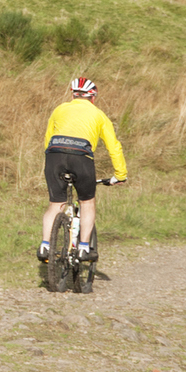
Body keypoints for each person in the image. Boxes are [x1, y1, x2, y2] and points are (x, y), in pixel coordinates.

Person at [39, 74, 127, 267]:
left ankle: (45, 245)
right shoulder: (98, 115)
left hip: (54, 156)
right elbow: (114, 147)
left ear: (73, 95)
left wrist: (51, 161)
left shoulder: (59, 109)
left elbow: (48, 138)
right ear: (92, 97)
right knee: (87, 202)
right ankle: (84, 247)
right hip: (81, 158)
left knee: (56, 204)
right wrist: (120, 175)